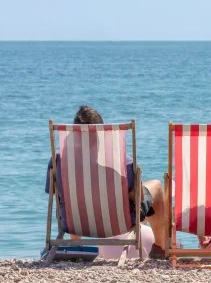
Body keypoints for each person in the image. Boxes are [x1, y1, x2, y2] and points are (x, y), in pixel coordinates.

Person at [45, 105, 169, 258]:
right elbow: (138, 198)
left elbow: (55, 193)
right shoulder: (122, 162)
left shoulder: (58, 161)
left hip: (73, 224)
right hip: (117, 224)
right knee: (156, 185)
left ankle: (77, 247)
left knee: (70, 198)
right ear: (102, 135)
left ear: (74, 134)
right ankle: (160, 248)